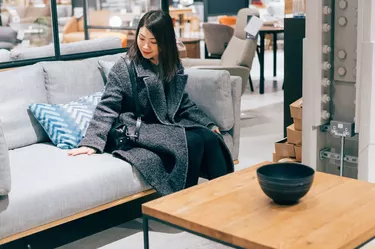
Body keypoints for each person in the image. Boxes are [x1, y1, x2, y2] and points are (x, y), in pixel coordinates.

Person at [68, 10, 234, 195]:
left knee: (211, 138)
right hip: (137, 127)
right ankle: (182, 204)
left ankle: (225, 196)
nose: (145, 46)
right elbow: (107, 107)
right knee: (192, 142)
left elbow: (182, 102)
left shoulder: (170, 63)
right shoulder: (125, 66)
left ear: (165, 42)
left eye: (153, 42)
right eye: (141, 38)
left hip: (164, 124)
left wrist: (206, 122)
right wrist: (91, 142)